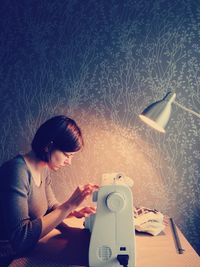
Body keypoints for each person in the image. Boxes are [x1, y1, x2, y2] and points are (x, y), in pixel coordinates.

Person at [0, 115, 98, 266]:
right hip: (8, 257)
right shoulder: (16, 171)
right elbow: (21, 238)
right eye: (67, 155)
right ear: (48, 146)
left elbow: (50, 208)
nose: (69, 162)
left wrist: (72, 220)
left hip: (28, 249)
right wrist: (68, 206)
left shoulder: (43, 168)